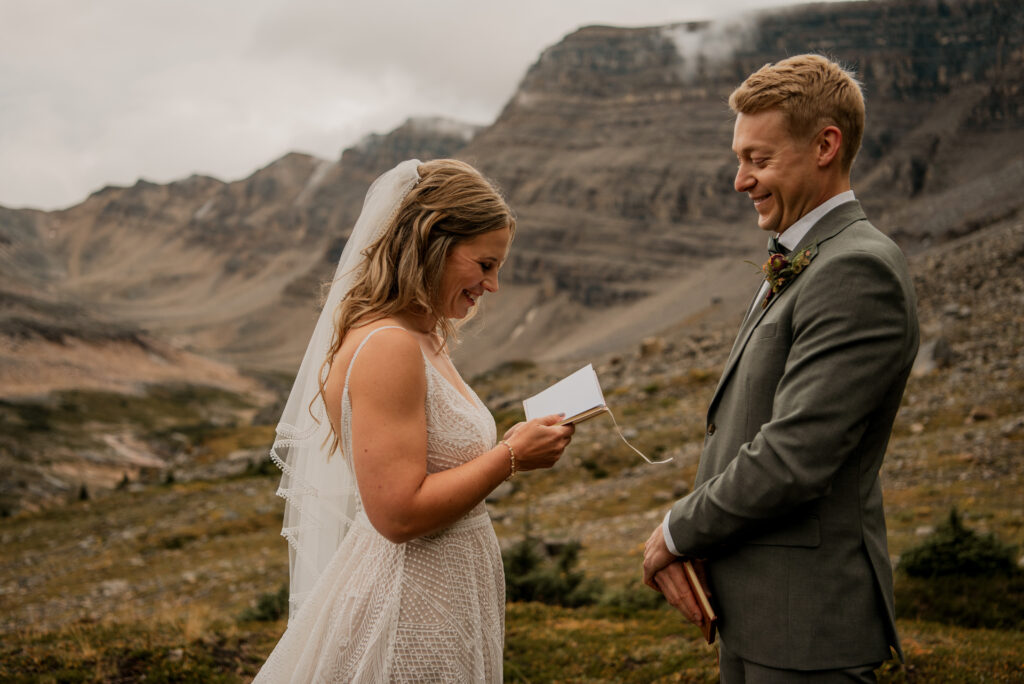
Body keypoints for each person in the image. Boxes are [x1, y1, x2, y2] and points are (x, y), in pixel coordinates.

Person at [642, 54, 919, 682]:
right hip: (761, 614)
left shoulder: (856, 269)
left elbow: (797, 454)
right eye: (740, 158)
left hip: (807, 629)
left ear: (826, 146)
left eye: (758, 160)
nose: (741, 180)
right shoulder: (806, 254)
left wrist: (678, 531)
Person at [254, 158, 574, 683]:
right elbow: (397, 514)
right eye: (485, 265)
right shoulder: (390, 346)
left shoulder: (423, 336)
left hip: (441, 595)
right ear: (433, 244)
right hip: (408, 607)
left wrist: (512, 444)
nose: (492, 286)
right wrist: (511, 456)